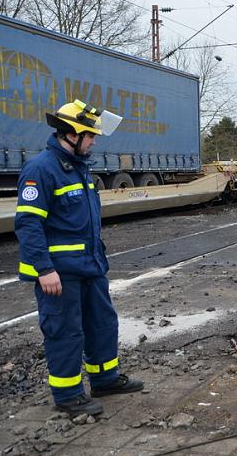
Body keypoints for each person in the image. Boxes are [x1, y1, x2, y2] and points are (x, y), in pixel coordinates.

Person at [15, 100, 143, 418]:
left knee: (102, 324)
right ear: (71, 134)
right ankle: (69, 396)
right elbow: (28, 225)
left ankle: (104, 379)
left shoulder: (80, 169)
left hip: (90, 267)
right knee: (65, 331)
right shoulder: (41, 170)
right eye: (91, 136)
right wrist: (44, 269)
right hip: (59, 274)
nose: (95, 141)